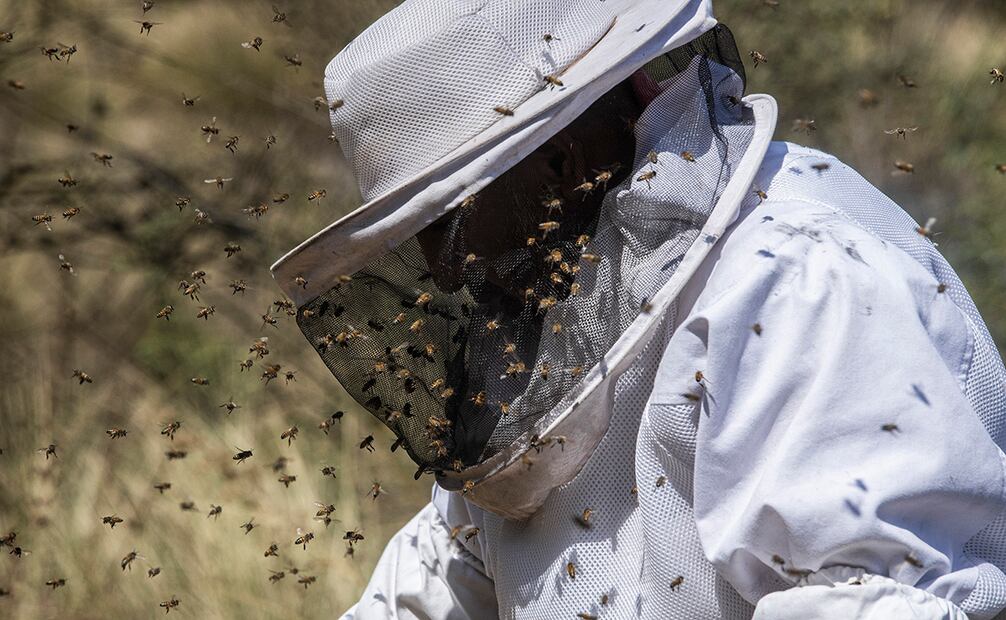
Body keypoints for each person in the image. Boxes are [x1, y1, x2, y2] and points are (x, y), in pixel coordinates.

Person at [271, 1, 1006, 618]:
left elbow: (871, 599)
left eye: (445, 224)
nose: (441, 267)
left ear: (559, 162)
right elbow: (448, 565)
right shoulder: (554, 319)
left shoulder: (794, 277)